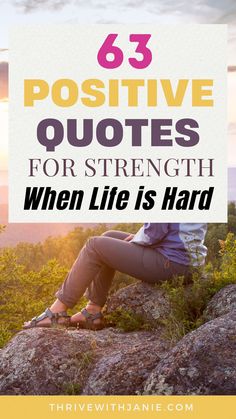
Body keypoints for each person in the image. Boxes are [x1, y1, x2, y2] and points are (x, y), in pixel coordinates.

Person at [23, 223, 207, 330]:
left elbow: (154, 232)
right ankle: (93, 311)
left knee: (94, 245)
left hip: (171, 264)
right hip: (185, 261)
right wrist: (137, 238)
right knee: (108, 236)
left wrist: (138, 240)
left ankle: (57, 312)